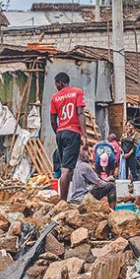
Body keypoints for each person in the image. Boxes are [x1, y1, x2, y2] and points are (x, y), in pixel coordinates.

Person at [49, 72, 86, 201]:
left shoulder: (55, 97)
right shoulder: (77, 92)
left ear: (60, 82)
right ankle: (63, 201)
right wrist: (84, 135)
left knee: (66, 167)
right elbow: (80, 113)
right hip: (72, 132)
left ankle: (65, 198)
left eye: (56, 84)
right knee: (67, 169)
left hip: (60, 132)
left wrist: (59, 132)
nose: (56, 86)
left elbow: (53, 121)